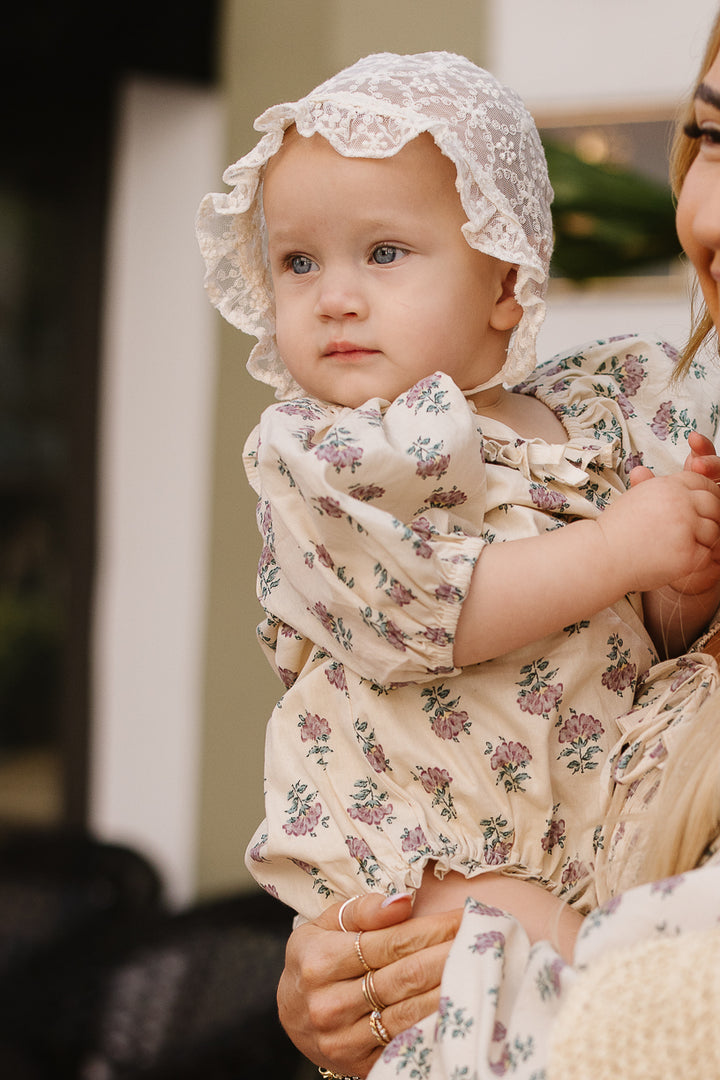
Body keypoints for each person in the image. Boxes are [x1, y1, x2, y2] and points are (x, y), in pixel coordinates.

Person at [275, 14, 720, 1080]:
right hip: (447, 838)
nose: (337, 297)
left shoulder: (600, 414)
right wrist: (354, 986)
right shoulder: (338, 458)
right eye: (712, 136)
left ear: (506, 284)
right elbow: (421, 609)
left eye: (385, 253)